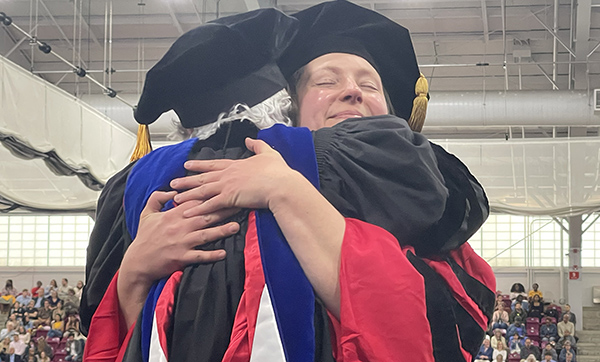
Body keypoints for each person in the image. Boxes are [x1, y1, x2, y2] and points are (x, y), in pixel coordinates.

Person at [82, 2, 494, 361]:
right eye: (327, 81)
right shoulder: (197, 172)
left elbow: (435, 331)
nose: (352, 91)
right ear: (288, 108)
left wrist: (286, 190)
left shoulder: (425, 198)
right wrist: (135, 271)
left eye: (369, 85)